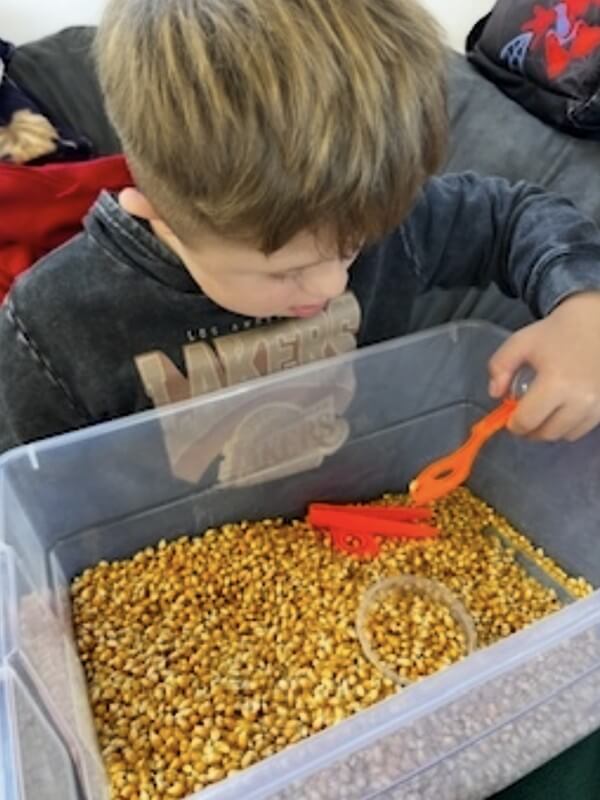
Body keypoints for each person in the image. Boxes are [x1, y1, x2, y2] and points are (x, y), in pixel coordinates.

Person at [1, 0, 600, 456]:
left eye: (355, 246)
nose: (330, 284)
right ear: (155, 210)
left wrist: (585, 309)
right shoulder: (55, 325)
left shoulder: (376, 222)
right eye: (284, 270)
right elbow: (27, 488)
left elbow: (513, 217)